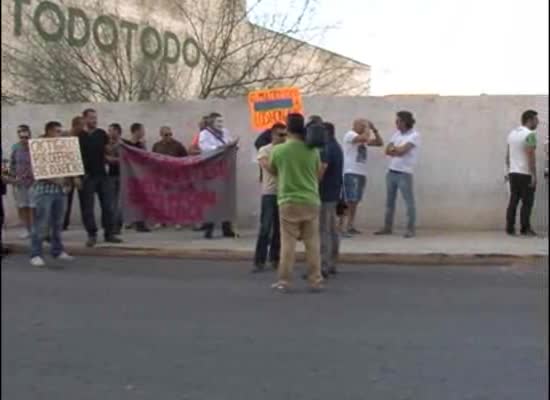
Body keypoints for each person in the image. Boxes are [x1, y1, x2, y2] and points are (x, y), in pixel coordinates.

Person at [269, 113, 324, 292]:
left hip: (288, 200)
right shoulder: (313, 151)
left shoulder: (278, 150)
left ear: (287, 128)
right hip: (311, 199)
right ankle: (315, 280)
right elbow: (318, 173)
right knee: (312, 243)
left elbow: (273, 170)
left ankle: (284, 281)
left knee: (288, 244)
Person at [29, 121, 77, 267]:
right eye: (57, 131)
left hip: (60, 192)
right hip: (44, 192)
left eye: (60, 131)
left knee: (57, 223)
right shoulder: (39, 147)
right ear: (49, 131)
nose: (59, 134)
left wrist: (70, 181)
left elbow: (68, 166)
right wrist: (57, 180)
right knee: (41, 223)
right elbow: (38, 172)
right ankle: (35, 254)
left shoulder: (62, 148)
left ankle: (57, 250)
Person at [78, 108, 122, 247]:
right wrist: (76, 177)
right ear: (84, 119)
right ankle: (92, 235)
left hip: (103, 175)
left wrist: (116, 148)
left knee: (108, 206)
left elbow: (108, 150)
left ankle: (109, 233)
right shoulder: (78, 136)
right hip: (86, 176)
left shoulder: (101, 134)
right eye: (91, 118)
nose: (94, 120)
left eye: (95, 118)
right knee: (87, 208)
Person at [375, 111, 420, 238]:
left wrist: (395, 150)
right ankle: (387, 227)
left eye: (398, 121)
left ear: (405, 122)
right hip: (391, 171)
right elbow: (387, 150)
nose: (396, 123)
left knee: (408, 202)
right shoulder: (396, 134)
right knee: (389, 202)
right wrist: (395, 150)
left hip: (404, 173)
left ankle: (410, 229)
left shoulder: (414, 135)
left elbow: (402, 151)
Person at [252, 123, 287, 273]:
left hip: (284, 193)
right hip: (270, 193)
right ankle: (259, 260)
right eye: (280, 135)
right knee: (266, 227)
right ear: (272, 135)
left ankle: (275, 258)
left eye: (285, 135)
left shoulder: (287, 150)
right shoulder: (264, 150)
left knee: (280, 229)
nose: (283, 138)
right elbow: (270, 168)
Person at [198, 112, 237, 239]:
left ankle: (227, 228)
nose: (220, 124)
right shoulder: (204, 134)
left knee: (226, 198)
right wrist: (222, 147)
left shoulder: (225, 132)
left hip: (225, 169)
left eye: (221, 121)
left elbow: (229, 143)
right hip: (211, 170)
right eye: (217, 122)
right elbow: (206, 149)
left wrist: (232, 146)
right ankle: (209, 228)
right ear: (211, 122)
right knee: (212, 199)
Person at [342, 118, 384, 236]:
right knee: (349, 200)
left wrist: (374, 130)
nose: (365, 128)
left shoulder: (362, 138)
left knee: (355, 201)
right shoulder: (350, 135)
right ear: (356, 125)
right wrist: (367, 126)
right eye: (362, 125)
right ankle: (343, 227)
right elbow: (365, 137)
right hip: (351, 172)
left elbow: (379, 143)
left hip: (361, 173)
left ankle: (350, 225)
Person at [505, 110, 539, 237]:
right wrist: (534, 175)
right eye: (536, 120)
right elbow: (530, 155)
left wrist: (509, 171)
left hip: (513, 173)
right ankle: (525, 229)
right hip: (525, 173)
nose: (538, 122)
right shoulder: (530, 134)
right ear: (529, 120)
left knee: (513, 200)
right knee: (527, 202)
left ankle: (509, 228)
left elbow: (507, 156)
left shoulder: (512, 134)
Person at [318, 122, 344, 277]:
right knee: (332, 230)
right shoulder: (337, 147)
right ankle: (332, 262)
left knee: (324, 230)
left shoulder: (328, 148)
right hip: (334, 193)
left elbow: (322, 170)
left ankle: (323, 265)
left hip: (325, 194)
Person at [123, 123, 151, 233]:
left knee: (141, 200)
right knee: (130, 200)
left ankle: (140, 223)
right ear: (136, 131)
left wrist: (144, 147)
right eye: (142, 130)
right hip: (129, 176)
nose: (144, 132)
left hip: (140, 176)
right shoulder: (126, 144)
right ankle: (130, 221)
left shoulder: (140, 145)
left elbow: (146, 158)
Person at [9, 125, 35, 239]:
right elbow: (12, 163)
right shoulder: (15, 148)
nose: (24, 139)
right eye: (21, 137)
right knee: (22, 206)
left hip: (34, 183)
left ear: (29, 135)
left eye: (26, 137)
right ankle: (27, 229)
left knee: (32, 207)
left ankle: (34, 229)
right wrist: (13, 175)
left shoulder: (34, 147)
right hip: (20, 183)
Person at [63, 116, 86, 230]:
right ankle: (63, 223)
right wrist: (74, 175)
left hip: (81, 171)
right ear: (75, 125)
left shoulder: (83, 137)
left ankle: (86, 222)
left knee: (84, 199)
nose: (83, 127)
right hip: (67, 173)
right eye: (82, 125)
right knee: (66, 199)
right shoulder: (64, 136)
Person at [106, 123, 123, 235]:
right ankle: (112, 226)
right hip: (110, 175)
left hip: (121, 175)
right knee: (111, 203)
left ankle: (117, 226)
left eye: (111, 130)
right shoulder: (107, 144)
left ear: (117, 131)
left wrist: (109, 158)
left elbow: (123, 159)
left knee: (119, 203)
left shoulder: (123, 144)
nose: (109, 133)